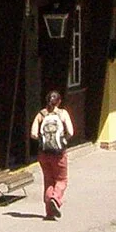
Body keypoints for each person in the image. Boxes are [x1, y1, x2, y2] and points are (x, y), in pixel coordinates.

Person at [33, 89, 76, 220]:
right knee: (62, 180)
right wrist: (63, 140)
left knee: (48, 180)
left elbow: (34, 134)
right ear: (59, 101)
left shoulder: (40, 115)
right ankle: (55, 198)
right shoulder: (63, 114)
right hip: (59, 153)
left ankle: (49, 212)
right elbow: (71, 132)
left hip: (44, 153)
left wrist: (44, 140)